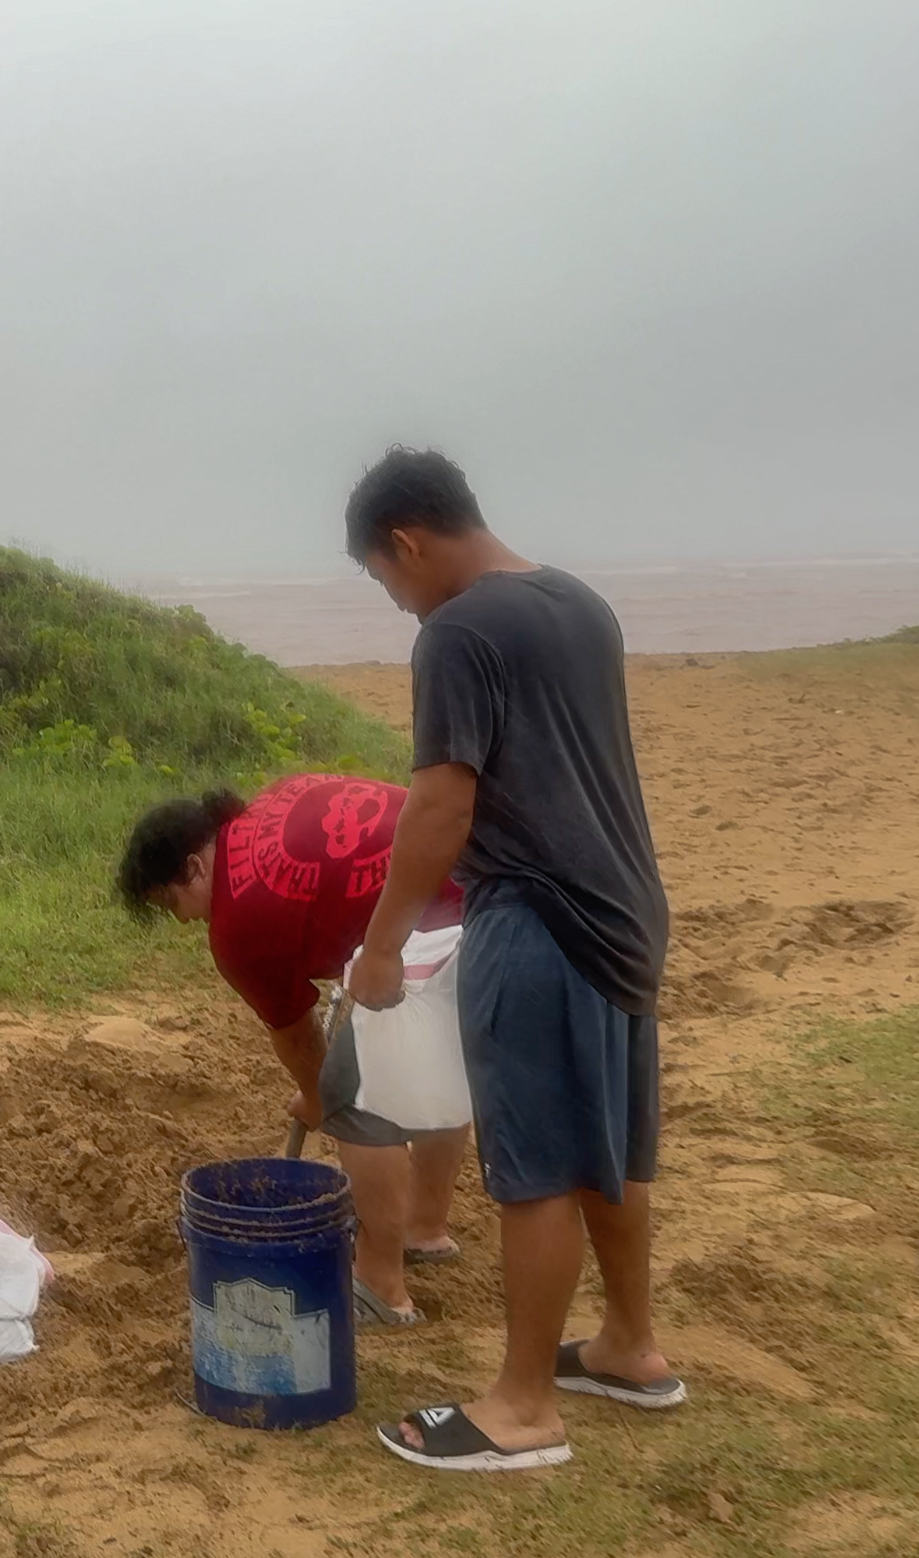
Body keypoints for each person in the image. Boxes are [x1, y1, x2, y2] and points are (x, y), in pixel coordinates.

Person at [344, 446, 681, 1473]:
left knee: (534, 1163)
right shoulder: (579, 601)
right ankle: (628, 1343)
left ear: (407, 541)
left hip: (536, 914)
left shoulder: (459, 631)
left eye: (386, 578)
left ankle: (524, 1404)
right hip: (626, 908)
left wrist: (382, 942)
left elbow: (445, 803)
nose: (399, 603)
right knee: (609, 1143)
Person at [117, 773, 471, 1326]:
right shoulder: (274, 799)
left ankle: (381, 1285)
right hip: (487, 881)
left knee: (356, 1100)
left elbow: (298, 1035)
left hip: (435, 925)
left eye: (170, 903)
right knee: (438, 1064)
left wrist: (317, 1097)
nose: (184, 919)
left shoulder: (238, 926)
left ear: (193, 866)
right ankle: (424, 1230)